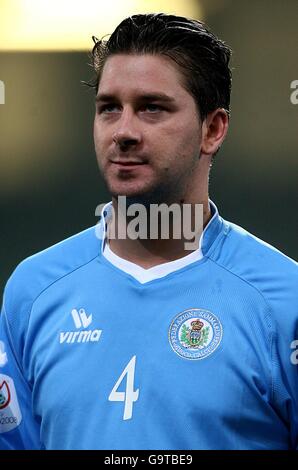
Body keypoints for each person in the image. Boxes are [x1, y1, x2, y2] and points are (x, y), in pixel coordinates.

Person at [0, 13, 297, 451]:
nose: (123, 132)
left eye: (152, 108)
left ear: (212, 130)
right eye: (109, 109)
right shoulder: (34, 289)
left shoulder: (283, 299)